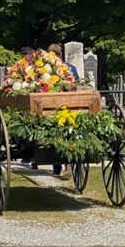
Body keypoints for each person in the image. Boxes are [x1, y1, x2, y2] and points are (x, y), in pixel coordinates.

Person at [48, 43, 79, 179]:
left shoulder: (48, 69)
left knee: (54, 133)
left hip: (52, 108)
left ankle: (57, 168)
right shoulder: (71, 68)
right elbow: (77, 83)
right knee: (68, 133)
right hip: (72, 107)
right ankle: (68, 164)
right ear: (61, 54)